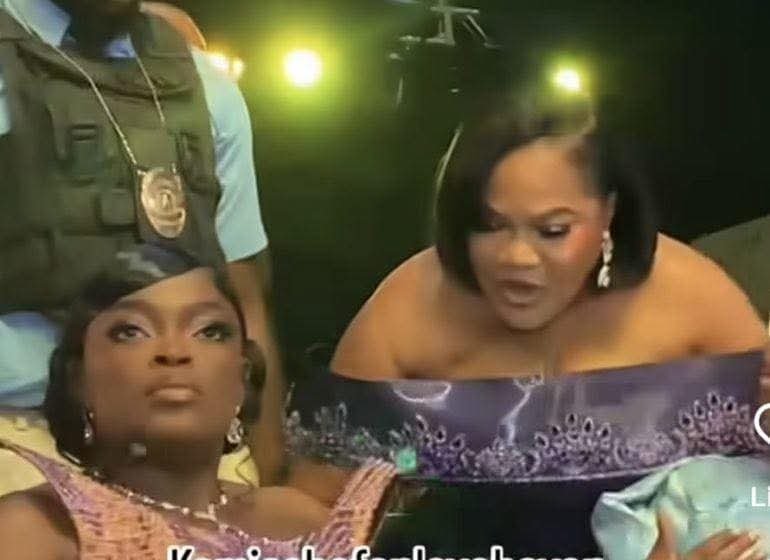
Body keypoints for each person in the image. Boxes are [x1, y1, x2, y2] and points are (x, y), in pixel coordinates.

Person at [0, 0, 286, 489]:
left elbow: (245, 300)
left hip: (192, 436)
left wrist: (269, 470)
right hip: (20, 426)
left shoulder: (208, 87)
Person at [331, 93, 767, 382]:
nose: (517, 257)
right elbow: (321, 485)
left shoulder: (691, 290)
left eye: (552, 231)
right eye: (490, 225)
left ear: (609, 214)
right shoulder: (407, 305)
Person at [0, 244, 396, 560]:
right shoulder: (37, 528)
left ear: (242, 380)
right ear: (79, 381)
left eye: (209, 331)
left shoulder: (301, 522)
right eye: (131, 331)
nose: (174, 352)